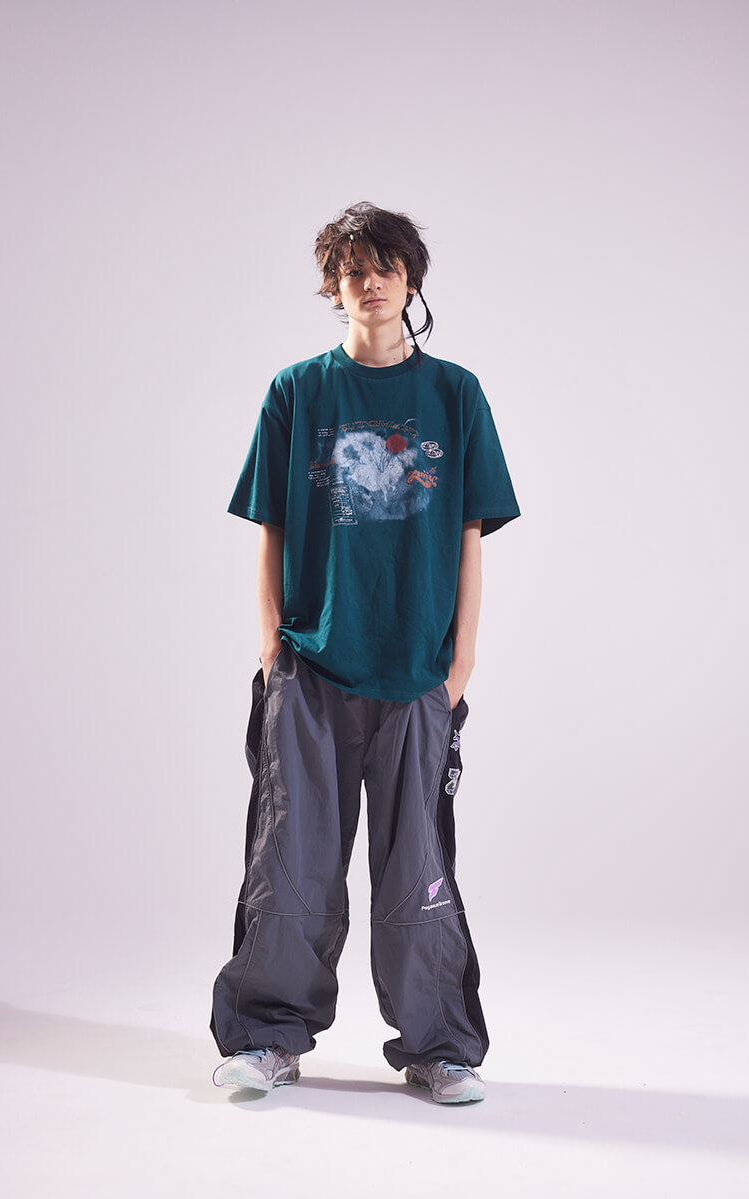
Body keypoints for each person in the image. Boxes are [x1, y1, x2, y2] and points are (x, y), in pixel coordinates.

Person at [209, 201, 521, 1105]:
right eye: (353, 270)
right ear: (333, 286)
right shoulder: (297, 391)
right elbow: (269, 526)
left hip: (417, 669)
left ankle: (439, 1046)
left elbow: (470, 532)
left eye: (386, 266)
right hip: (311, 666)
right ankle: (267, 1036)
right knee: (290, 858)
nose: (370, 282)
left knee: (417, 865)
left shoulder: (455, 394)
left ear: (410, 279)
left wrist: (461, 662)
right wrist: (272, 645)